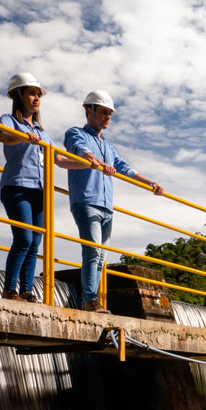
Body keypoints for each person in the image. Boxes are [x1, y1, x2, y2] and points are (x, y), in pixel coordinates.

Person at [64, 90, 165, 313]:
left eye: (110, 113)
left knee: (101, 256)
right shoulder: (76, 133)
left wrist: (151, 183)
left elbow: (125, 168)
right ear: (89, 110)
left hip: (106, 207)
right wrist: (94, 160)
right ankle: (89, 301)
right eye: (103, 112)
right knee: (92, 251)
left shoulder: (109, 147)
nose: (107, 117)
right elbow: (81, 150)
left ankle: (95, 300)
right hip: (86, 201)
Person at [0, 72, 83, 301]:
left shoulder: (42, 132)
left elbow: (60, 161)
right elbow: (3, 136)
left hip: (41, 191)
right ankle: (9, 289)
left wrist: (88, 164)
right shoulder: (10, 120)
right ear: (18, 95)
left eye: (38, 95)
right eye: (31, 93)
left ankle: (27, 291)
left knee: (35, 242)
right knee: (23, 238)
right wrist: (25, 136)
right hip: (17, 186)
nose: (36, 98)